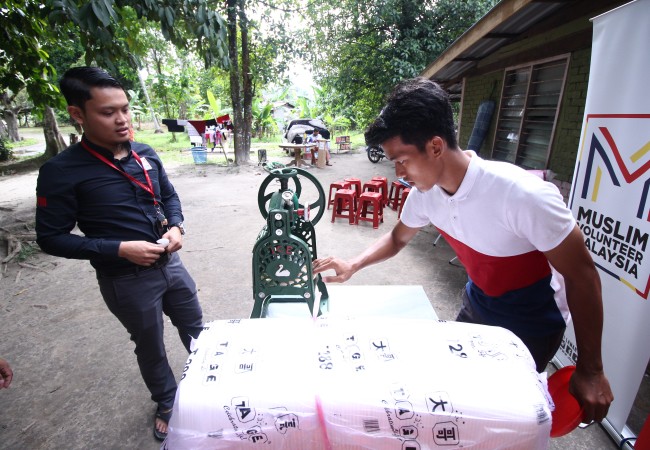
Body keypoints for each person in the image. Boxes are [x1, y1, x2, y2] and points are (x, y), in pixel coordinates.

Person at [313, 77, 613, 424]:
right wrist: (353, 264)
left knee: (504, 415)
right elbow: (397, 238)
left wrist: (592, 369)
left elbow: (582, 275)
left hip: (532, 321)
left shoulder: (523, 195)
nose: (399, 173)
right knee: (457, 398)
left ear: (435, 147)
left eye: (402, 160)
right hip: (478, 303)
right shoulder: (426, 195)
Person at [35, 66, 204, 441]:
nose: (122, 119)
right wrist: (119, 248)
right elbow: (50, 238)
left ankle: (209, 388)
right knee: (150, 345)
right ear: (77, 114)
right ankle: (167, 401)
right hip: (125, 280)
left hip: (172, 266)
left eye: (125, 109)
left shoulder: (145, 152)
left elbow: (169, 196)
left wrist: (177, 226)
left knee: (197, 331)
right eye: (108, 112)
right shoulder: (60, 171)